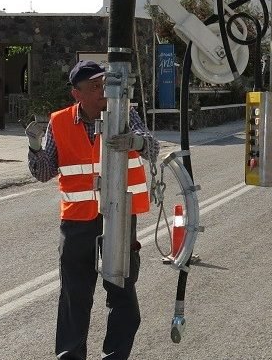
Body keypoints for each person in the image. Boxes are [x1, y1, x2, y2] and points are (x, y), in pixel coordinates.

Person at [27, 60, 159, 360]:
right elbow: (45, 171)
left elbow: (151, 148)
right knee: (74, 299)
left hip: (119, 218)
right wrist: (34, 145)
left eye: (104, 85)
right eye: (95, 87)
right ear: (77, 94)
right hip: (76, 223)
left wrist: (136, 140)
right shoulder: (58, 122)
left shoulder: (124, 113)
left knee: (123, 296)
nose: (103, 92)